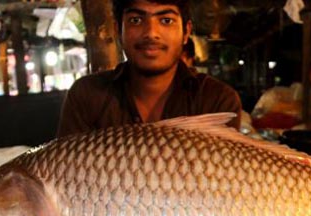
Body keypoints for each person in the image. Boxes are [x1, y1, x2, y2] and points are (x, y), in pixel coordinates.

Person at [57, 0, 242, 137]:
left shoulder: (217, 99)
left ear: (186, 32)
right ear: (117, 30)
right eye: (136, 20)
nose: (151, 33)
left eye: (166, 20)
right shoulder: (87, 95)